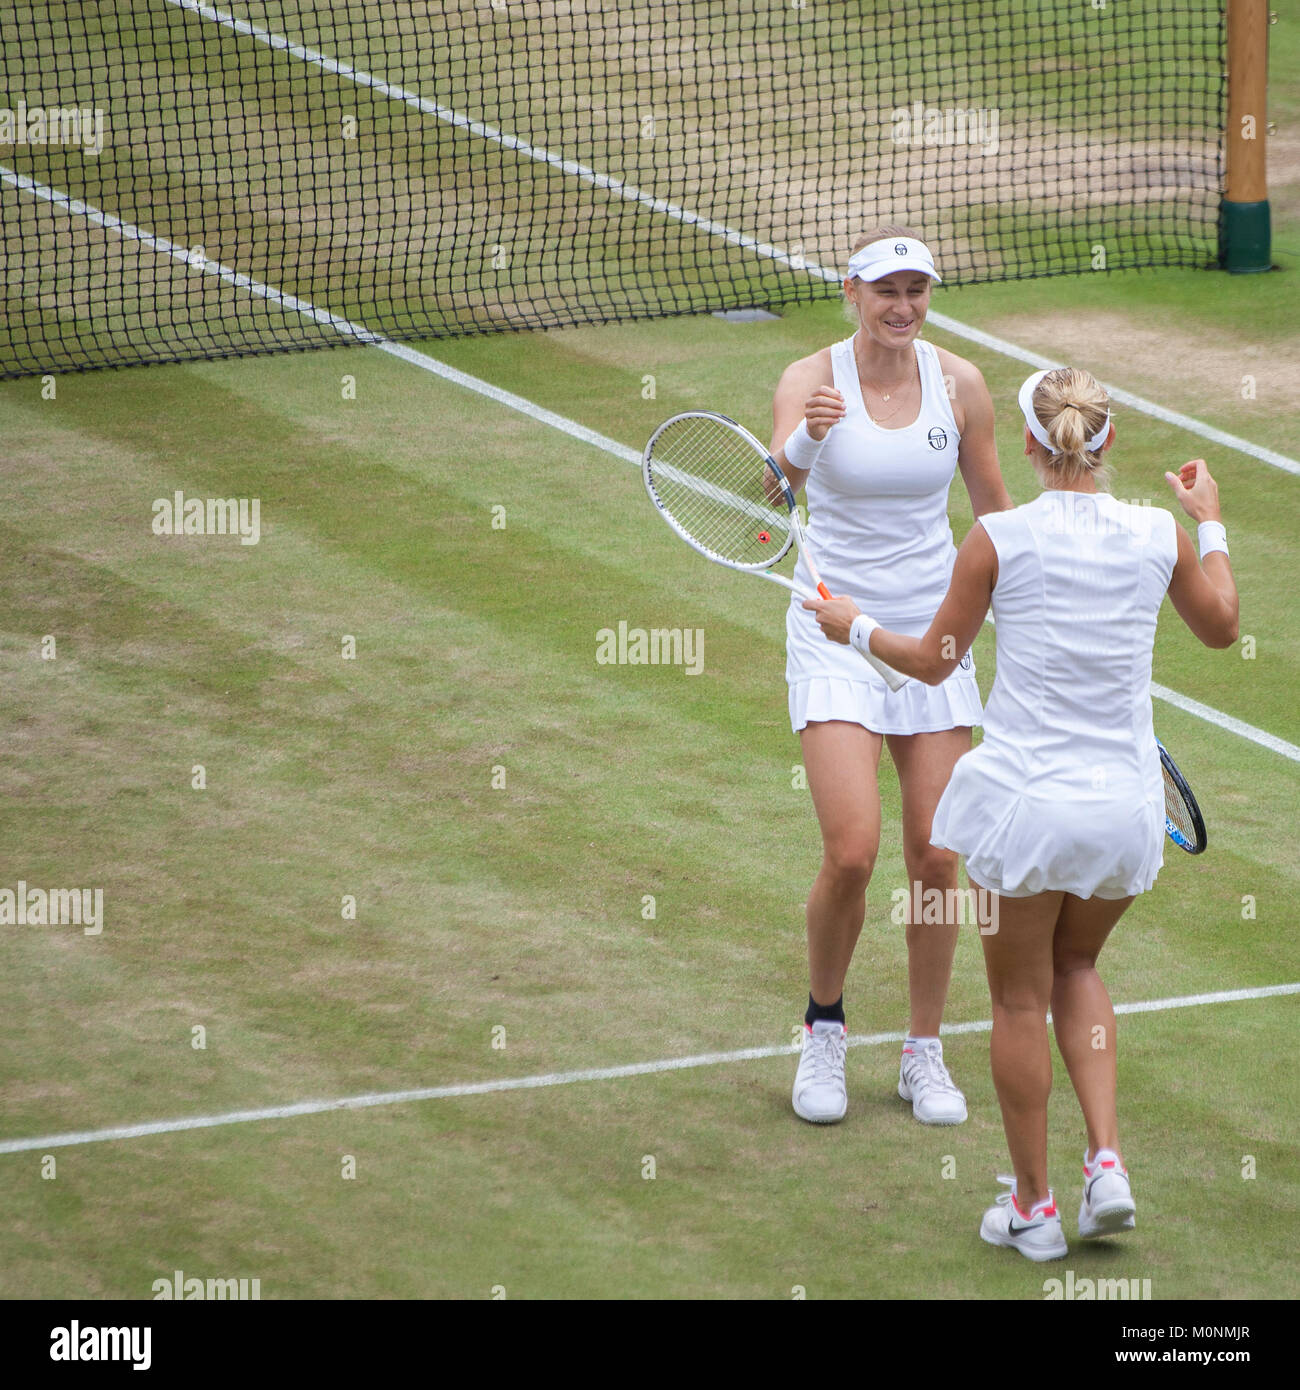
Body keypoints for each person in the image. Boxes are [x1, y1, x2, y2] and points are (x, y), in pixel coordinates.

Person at [803, 365, 1239, 1259]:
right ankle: (1106, 1164)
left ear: (1033, 448)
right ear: (1105, 442)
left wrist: (849, 625)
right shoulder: (1160, 532)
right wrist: (1211, 522)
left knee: (1018, 1000)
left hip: (1030, 812)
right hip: (1123, 810)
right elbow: (1224, 625)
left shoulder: (997, 539)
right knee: (1079, 968)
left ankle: (1035, 1209)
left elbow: (931, 662)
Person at [770, 226, 1012, 1127]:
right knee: (853, 850)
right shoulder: (809, 378)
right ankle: (824, 1028)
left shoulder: (961, 384)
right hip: (832, 631)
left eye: (917, 290)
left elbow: (993, 513)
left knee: (937, 854)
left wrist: (1035, 602)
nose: (903, 306)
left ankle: (922, 1051)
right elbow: (766, 496)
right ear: (853, 292)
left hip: (933, 637)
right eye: (887, 291)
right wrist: (802, 442)